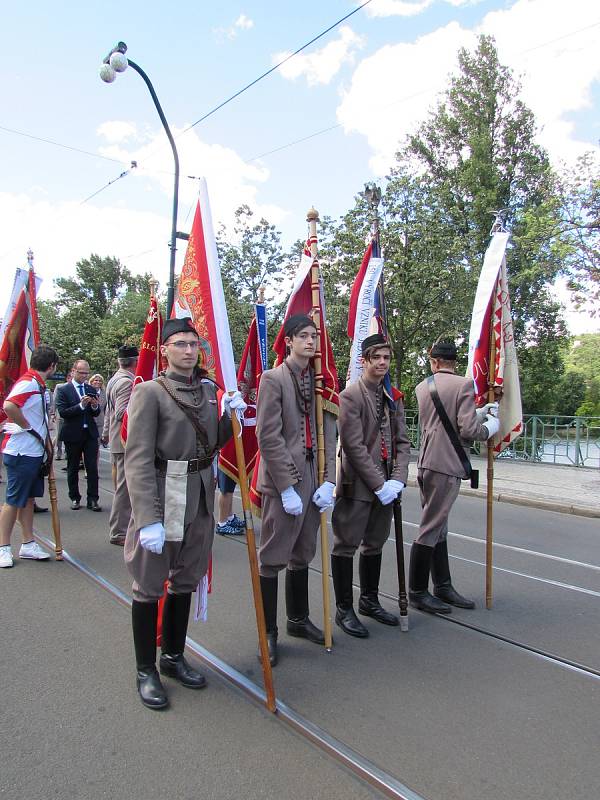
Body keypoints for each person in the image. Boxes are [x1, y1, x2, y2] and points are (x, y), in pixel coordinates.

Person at [123, 318, 243, 710]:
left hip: (201, 492)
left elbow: (214, 441)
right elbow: (137, 460)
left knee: (186, 579)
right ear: (164, 350)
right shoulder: (150, 393)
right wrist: (147, 519)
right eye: (180, 344)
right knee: (150, 583)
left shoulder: (208, 391)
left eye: (194, 344)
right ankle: (146, 670)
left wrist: (232, 418)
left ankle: (173, 657)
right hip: (165, 489)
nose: (190, 351)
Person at [255, 314, 337, 666]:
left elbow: (329, 435)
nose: (310, 342)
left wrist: (330, 479)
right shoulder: (272, 379)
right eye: (303, 336)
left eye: (314, 336)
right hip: (282, 477)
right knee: (273, 556)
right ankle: (267, 632)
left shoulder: (321, 382)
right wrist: (287, 486)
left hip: (314, 474)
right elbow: (268, 436)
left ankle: (298, 620)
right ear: (288, 340)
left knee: (303, 551)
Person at [410, 340, 499, 613]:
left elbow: (444, 418)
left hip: (427, 461)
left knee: (438, 525)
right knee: (432, 526)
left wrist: (479, 412)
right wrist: (490, 426)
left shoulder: (421, 386)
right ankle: (417, 591)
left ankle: (443, 585)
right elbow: (468, 429)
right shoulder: (463, 384)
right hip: (447, 463)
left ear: (434, 361)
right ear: (453, 362)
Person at [331, 333, 411, 638]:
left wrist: (398, 479)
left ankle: (369, 600)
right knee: (345, 545)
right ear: (363, 361)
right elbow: (352, 445)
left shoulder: (393, 396)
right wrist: (379, 484)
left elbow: (403, 442)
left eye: (386, 358)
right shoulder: (350, 396)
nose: (381, 362)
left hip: (388, 486)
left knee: (375, 543)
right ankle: (344, 609)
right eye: (375, 357)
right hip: (358, 485)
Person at [0, 345, 59, 569]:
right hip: (21, 451)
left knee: (28, 499)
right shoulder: (28, 382)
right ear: (52, 366)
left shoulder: (38, 384)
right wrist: (25, 427)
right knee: (13, 500)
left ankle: (28, 543)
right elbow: (9, 406)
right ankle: (3, 547)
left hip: (34, 453)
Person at [102, 347, 138, 545]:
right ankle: (119, 532)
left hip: (117, 440)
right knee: (124, 489)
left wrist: (106, 433)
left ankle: (123, 528)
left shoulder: (115, 379)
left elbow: (108, 411)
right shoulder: (126, 382)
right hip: (124, 441)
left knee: (123, 486)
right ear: (135, 361)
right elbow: (121, 413)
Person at [55, 360, 102, 512]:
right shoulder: (64, 389)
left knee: (92, 468)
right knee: (73, 467)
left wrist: (94, 405)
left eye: (86, 373)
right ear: (73, 371)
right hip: (72, 433)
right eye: (81, 373)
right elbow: (63, 412)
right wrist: (80, 406)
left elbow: (95, 412)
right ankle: (75, 497)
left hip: (89, 434)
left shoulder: (90, 388)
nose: (84, 376)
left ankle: (93, 499)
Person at [52, 369, 72, 461]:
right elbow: (55, 401)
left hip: (72, 415)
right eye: (71, 377)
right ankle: (58, 452)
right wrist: (53, 413)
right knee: (59, 434)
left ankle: (68, 453)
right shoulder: (60, 387)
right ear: (68, 378)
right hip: (60, 415)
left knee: (69, 435)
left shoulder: (76, 388)